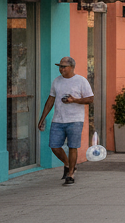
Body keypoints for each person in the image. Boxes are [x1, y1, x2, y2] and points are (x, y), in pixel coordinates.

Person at [36, 57, 94, 186]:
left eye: (64, 66)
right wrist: (43, 117)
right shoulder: (57, 81)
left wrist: (74, 100)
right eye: (60, 66)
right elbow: (50, 99)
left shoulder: (80, 81)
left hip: (75, 119)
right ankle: (67, 164)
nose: (61, 69)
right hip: (58, 119)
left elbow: (90, 99)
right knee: (54, 146)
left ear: (72, 67)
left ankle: (71, 174)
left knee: (73, 147)